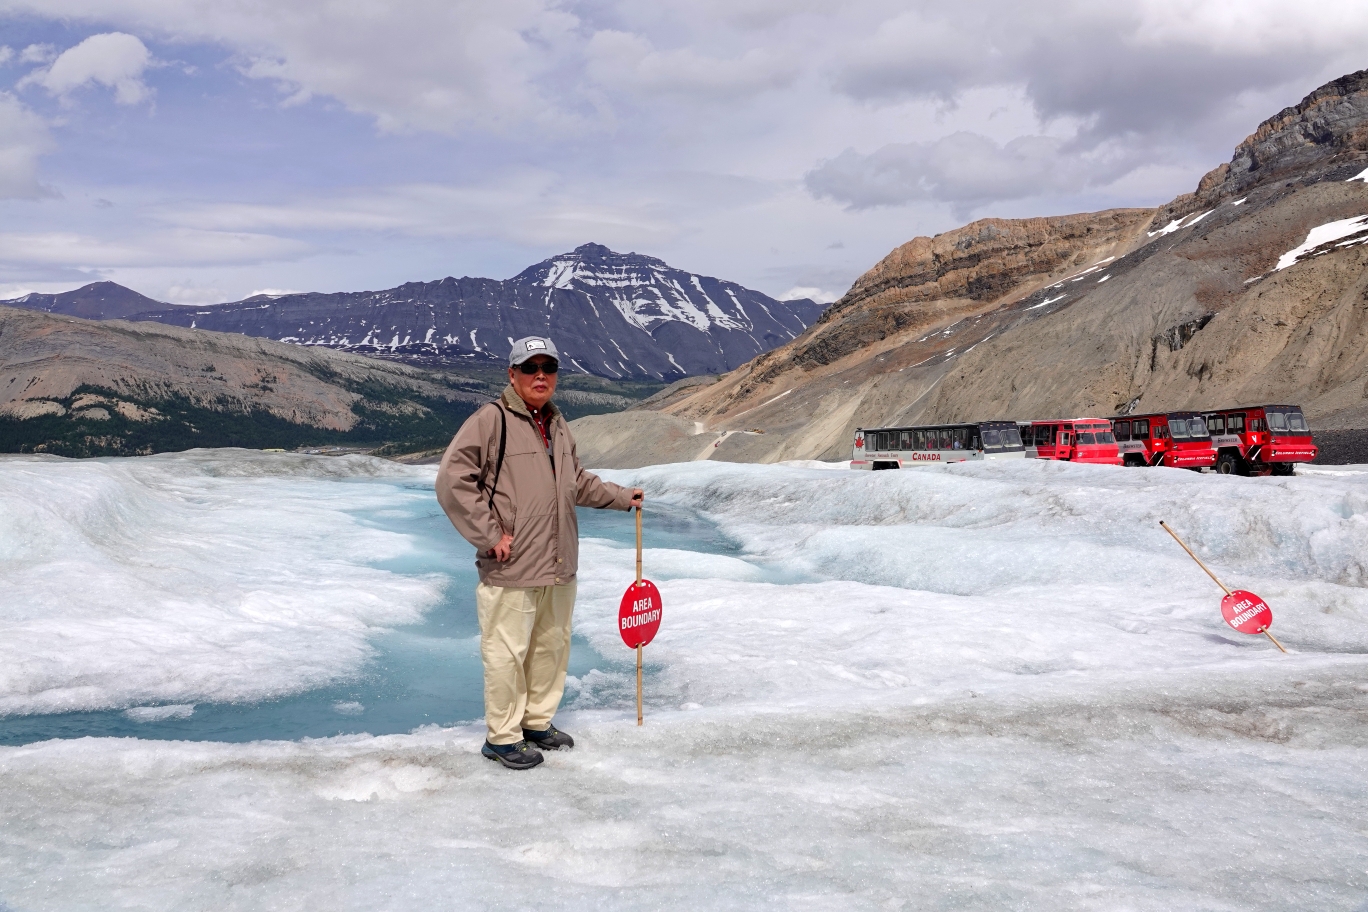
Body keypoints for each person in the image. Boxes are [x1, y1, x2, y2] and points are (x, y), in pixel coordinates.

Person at [435, 336, 643, 770]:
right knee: (506, 652)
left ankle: (535, 723)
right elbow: (453, 479)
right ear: (512, 375)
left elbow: (575, 482)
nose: (540, 375)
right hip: (512, 562)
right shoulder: (492, 419)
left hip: (559, 559)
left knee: (551, 645)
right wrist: (489, 535)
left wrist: (623, 497)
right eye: (530, 368)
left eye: (548, 367)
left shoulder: (557, 425)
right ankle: (503, 737)